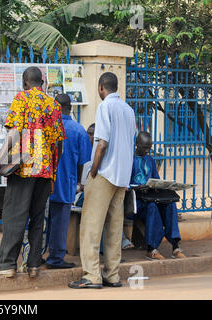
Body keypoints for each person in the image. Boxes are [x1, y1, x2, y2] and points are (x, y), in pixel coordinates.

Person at [0, 66, 66, 278]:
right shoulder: (54, 105)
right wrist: (53, 174)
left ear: (25, 82)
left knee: (15, 216)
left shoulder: (21, 99)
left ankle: (7, 265)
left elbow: (15, 132)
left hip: (24, 168)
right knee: (38, 217)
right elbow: (58, 144)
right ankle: (33, 265)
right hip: (45, 169)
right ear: (43, 83)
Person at [69, 72, 136, 289]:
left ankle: (91, 275)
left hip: (105, 173)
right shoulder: (128, 110)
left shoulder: (105, 107)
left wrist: (93, 171)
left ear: (101, 88)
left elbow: (102, 143)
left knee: (91, 225)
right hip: (122, 176)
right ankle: (112, 274)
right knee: (115, 228)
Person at [45, 94, 92, 269]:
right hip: (66, 184)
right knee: (59, 223)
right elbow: (83, 162)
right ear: (70, 107)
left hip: (43, 183)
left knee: (41, 222)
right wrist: (78, 183)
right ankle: (55, 258)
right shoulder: (78, 130)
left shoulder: (47, 126)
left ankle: (36, 256)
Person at [130, 131, 186, 260]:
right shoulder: (130, 160)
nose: (148, 150)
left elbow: (156, 179)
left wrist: (162, 185)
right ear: (137, 144)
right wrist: (137, 187)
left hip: (151, 196)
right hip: (136, 201)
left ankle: (175, 246)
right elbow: (125, 184)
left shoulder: (150, 159)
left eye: (149, 148)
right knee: (152, 207)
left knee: (171, 205)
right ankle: (151, 249)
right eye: (145, 147)